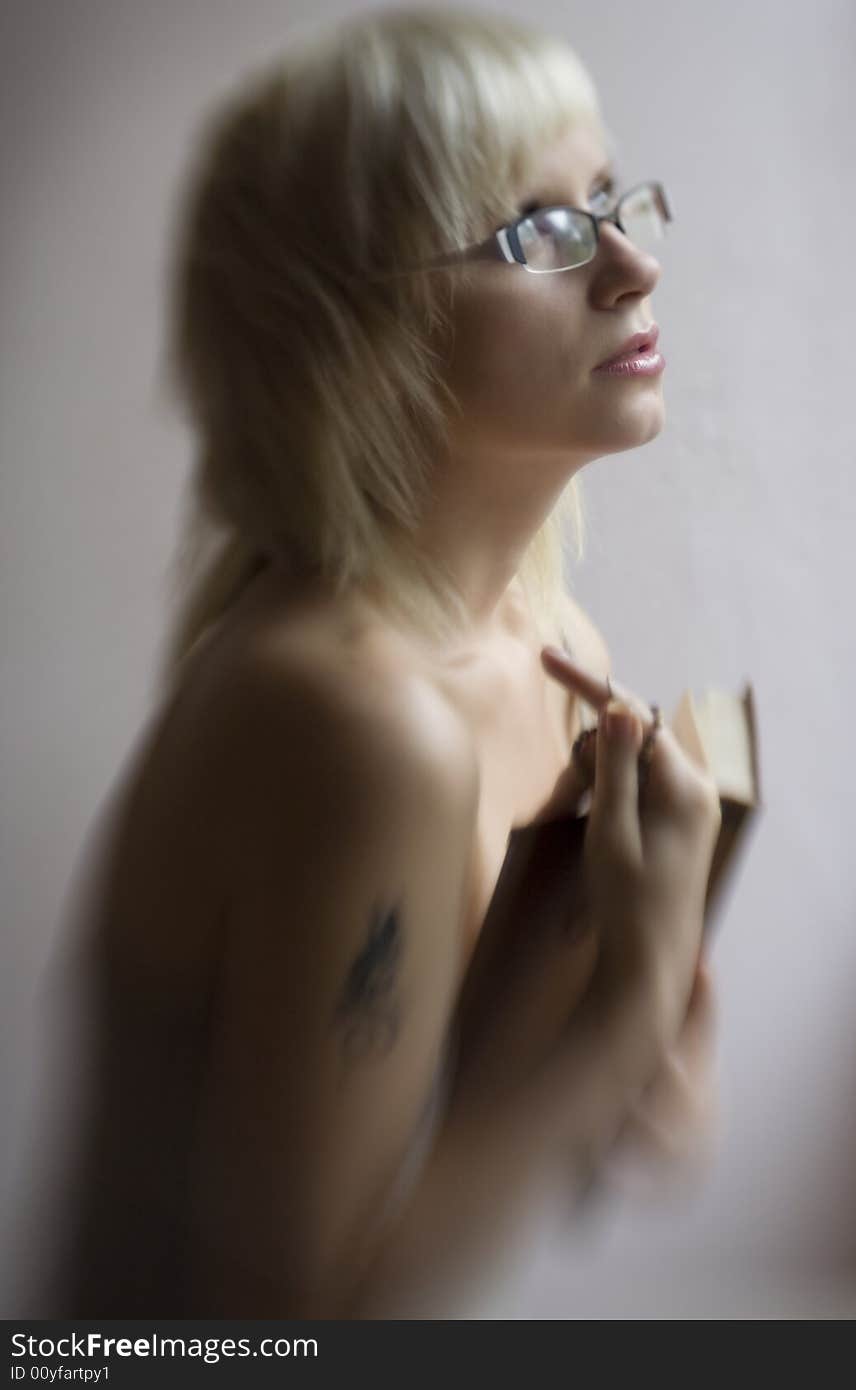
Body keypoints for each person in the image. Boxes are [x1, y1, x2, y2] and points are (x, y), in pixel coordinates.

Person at [20, 5, 721, 1318]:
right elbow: (290, 1331)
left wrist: (650, 1008)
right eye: (543, 229)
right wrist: (624, 1004)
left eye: (613, 197)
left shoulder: (557, 651)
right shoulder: (359, 723)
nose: (634, 265)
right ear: (357, 331)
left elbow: (607, 1140)